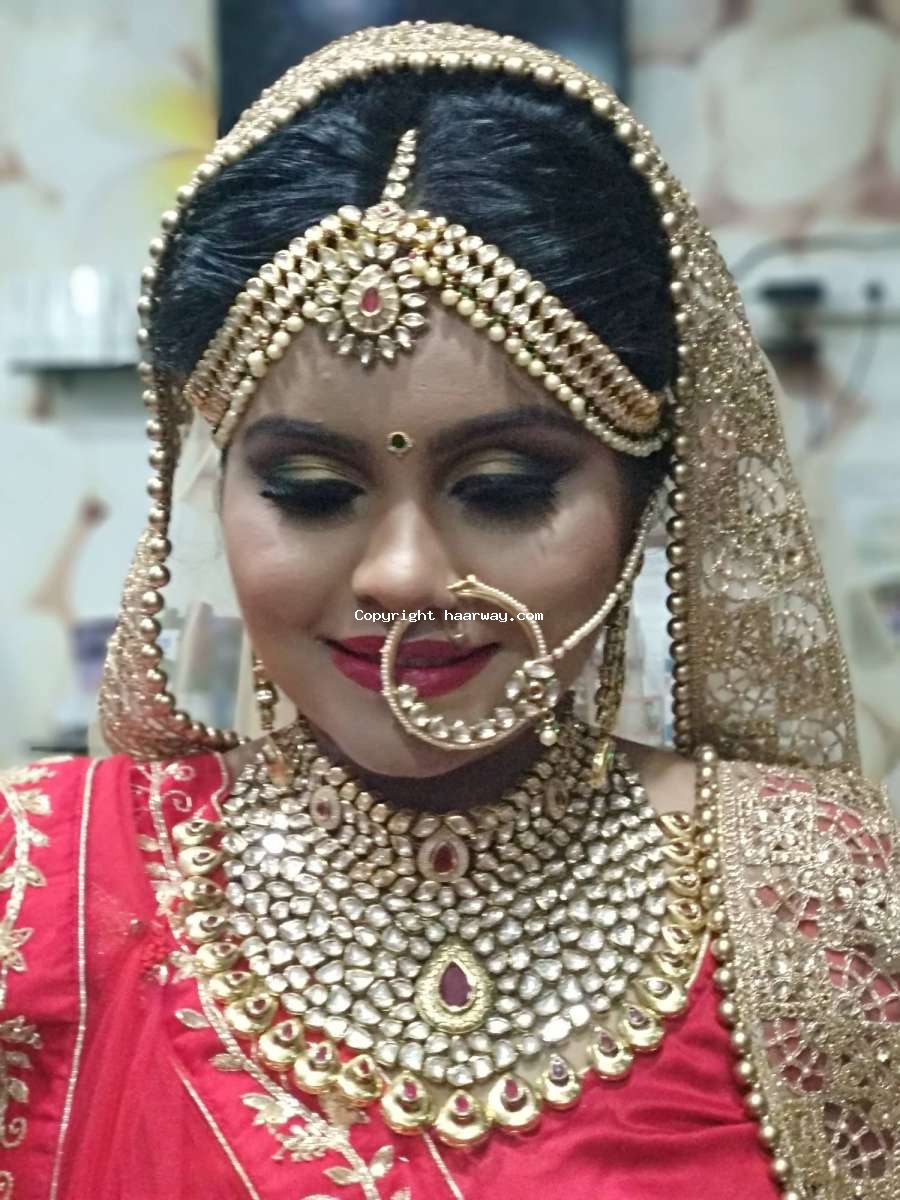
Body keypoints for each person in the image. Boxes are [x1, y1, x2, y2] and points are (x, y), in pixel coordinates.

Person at [2, 22, 897, 1200]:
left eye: (505, 489)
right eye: (309, 490)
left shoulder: (821, 898)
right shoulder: (38, 896)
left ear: (649, 500)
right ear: (213, 491)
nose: (403, 577)